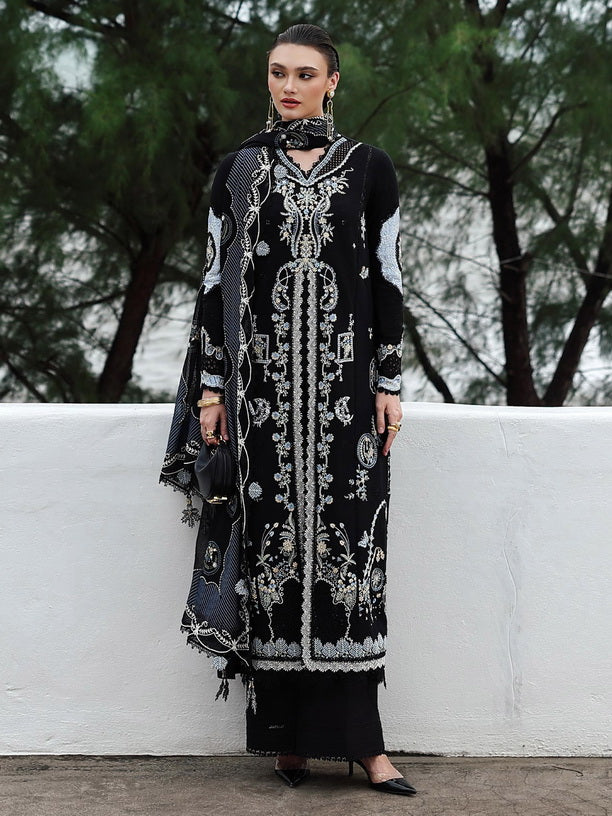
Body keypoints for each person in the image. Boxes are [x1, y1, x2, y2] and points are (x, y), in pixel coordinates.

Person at [160, 23, 416, 797]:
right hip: (261, 403)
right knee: (271, 564)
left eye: (305, 74)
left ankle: (367, 748)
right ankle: (288, 744)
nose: (289, 86)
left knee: (352, 560)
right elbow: (215, 284)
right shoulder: (239, 170)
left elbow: (389, 275)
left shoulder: (369, 167)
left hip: (346, 401)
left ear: (333, 82)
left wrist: (388, 379)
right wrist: (211, 391)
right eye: (278, 73)